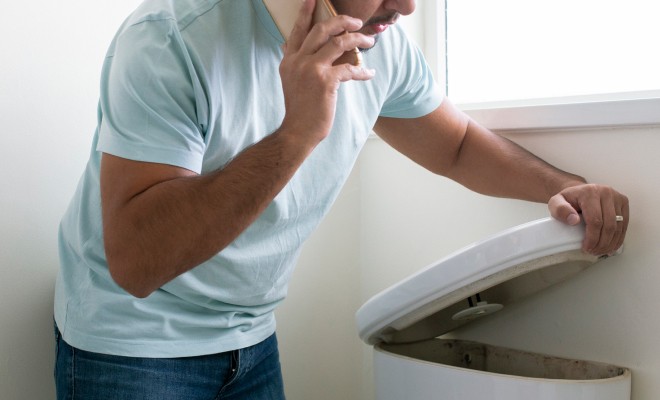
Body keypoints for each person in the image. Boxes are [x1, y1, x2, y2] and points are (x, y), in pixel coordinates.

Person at [53, 0, 629, 398]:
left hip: (250, 336)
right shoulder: (170, 39)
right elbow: (137, 263)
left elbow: (455, 147)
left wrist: (561, 186)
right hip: (132, 341)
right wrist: (297, 134)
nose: (407, 7)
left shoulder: (381, 45)